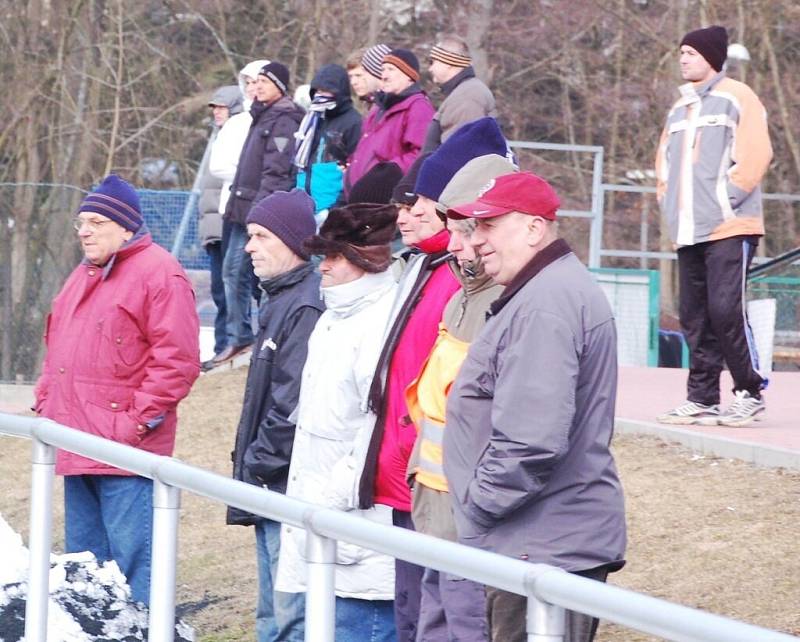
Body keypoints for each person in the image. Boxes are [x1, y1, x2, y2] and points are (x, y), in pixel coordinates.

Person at [443, 172, 627, 642]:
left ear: (533, 228)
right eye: (473, 228)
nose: (476, 240)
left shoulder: (545, 303)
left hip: (543, 545)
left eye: (488, 226)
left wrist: (478, 508)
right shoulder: (539, 292)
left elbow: (530, 441)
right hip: (536, 539)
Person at [33, 175, 200, 605]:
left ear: (125, 227)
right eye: (81, 222)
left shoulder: (160, 272)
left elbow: (177, 362)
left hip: (125, 456)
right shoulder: (83, 275)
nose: (84, 231)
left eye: (96, 222)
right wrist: (47, 403)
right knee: (84, 575)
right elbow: (59, 348)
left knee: (134, 575)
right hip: (75, 445)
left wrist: (134, 426)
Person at [275, 203, 400, 642]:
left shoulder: (378, 321)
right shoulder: (333, 317)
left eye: (334, 256)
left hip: (355, 527)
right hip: (322, 518)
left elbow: (377, 431)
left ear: (365, 260)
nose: (322, 266)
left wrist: (328, 500)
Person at [405, 153, 515, 642]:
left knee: (466, 622)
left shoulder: (505, 302)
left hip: (468, 510)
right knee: (435, 619)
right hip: (433, 499)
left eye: (464, 232)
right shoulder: (461, 296)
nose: (454, 247)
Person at [655, 25, 773, 427]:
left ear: (712, 57)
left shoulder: (738, 97)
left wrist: (723, 202)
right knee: (695, 315)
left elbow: (756, 155)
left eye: (690, 51)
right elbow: (663, 168)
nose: (683, 57)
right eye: (681, 51)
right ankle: (702, 397)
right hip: (687, 231)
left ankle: (750, 391)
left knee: (726, 310)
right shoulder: (679, 109)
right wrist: (670, 208)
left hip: (730, 226)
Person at [226, 188, 323, 642]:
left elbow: (291, 404)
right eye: (249, 236)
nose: (249, 247)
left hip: (284, 486)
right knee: (271, 615)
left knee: (289, 618)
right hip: (270, 482)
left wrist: (259, 464)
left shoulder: (305, 304)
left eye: (261, 236)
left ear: (293, 241)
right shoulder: (280, 299)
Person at [211, 61, 304, 368]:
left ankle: (255, 336)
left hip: (258, 213)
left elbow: (276, 171)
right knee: (233, 273)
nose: (255, 88)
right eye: (252, 83)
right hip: (241, 210)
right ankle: (240, 336)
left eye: (263, 81)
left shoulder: (284, 119)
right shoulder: (260, 116)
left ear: (279, 85)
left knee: (245, 274)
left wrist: (261, 215)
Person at [344, 48, 434, 199]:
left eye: (391, 69)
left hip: (386, 198)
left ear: (409, 76)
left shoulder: (418, 107)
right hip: (361, 196)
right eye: (383, 69)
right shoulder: (379, 107)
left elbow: (420, 155)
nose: (384, 75)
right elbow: (365, 148)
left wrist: (383, 174)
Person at [200, 85, 244, 359]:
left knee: (231, 286)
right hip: (213, 228)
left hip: (228, 222)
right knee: (219, 289)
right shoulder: (218, 138)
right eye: (214, 107)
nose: (216, 112)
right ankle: (220, 346)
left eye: (221, 107)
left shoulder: (237, 139)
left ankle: (231, 342)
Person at [294, 63, 362, 215]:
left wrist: (336, 209)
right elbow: (298, 162)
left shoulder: (353, 122)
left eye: (327, 91)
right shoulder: (311, 120)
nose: (320, 95)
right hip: (301, 203)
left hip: (329, 205)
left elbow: (355, 168)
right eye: (317, 90)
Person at [422, 34, 497, 151]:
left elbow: (459, 153)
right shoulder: (464, 91)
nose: (430, 69)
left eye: (433, 62)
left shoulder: (467, 97)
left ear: (447, 62)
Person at [346, 45, 389, 110]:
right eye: (351, 76)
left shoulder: (386, 106)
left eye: (359, 75)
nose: (353, 82)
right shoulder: (364, 106)